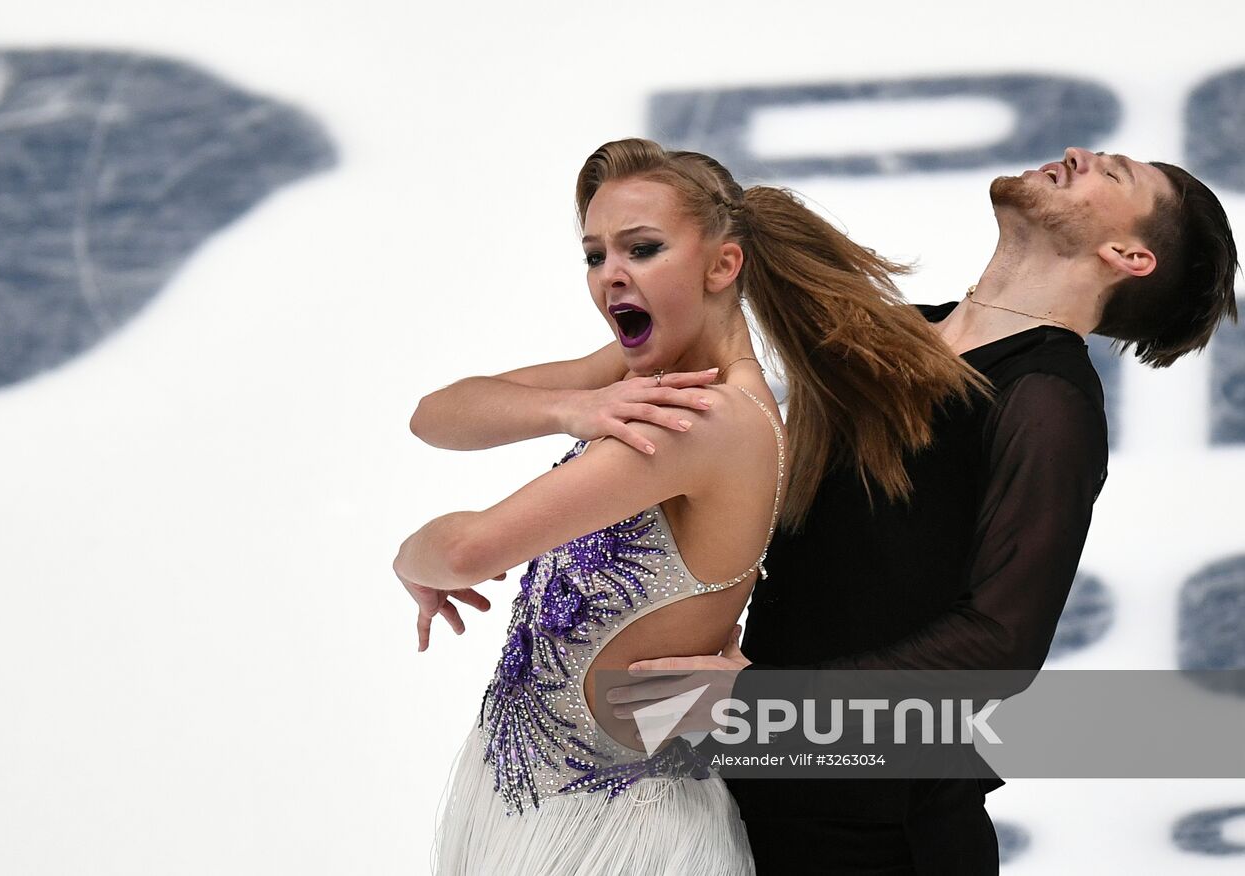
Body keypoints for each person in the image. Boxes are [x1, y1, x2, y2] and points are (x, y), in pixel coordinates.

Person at [409, 146, 1240, 874]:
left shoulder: (1046, 397)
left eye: (1115, 172)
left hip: (881, 833)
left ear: (1128, 255)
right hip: (751, 795)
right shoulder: (895, 337)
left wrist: (776, 699)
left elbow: (1001, 644)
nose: (1079, 153)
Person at [394, 137, 986, 875]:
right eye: (594, 255)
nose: (610, 275)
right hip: (527, 804)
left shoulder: (702, 420)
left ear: (722, 264)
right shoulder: (646, 379)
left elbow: (461, 553)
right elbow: (434, 414)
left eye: (640, 249)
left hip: (614, 839)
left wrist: (406, 554)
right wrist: (573, 407)